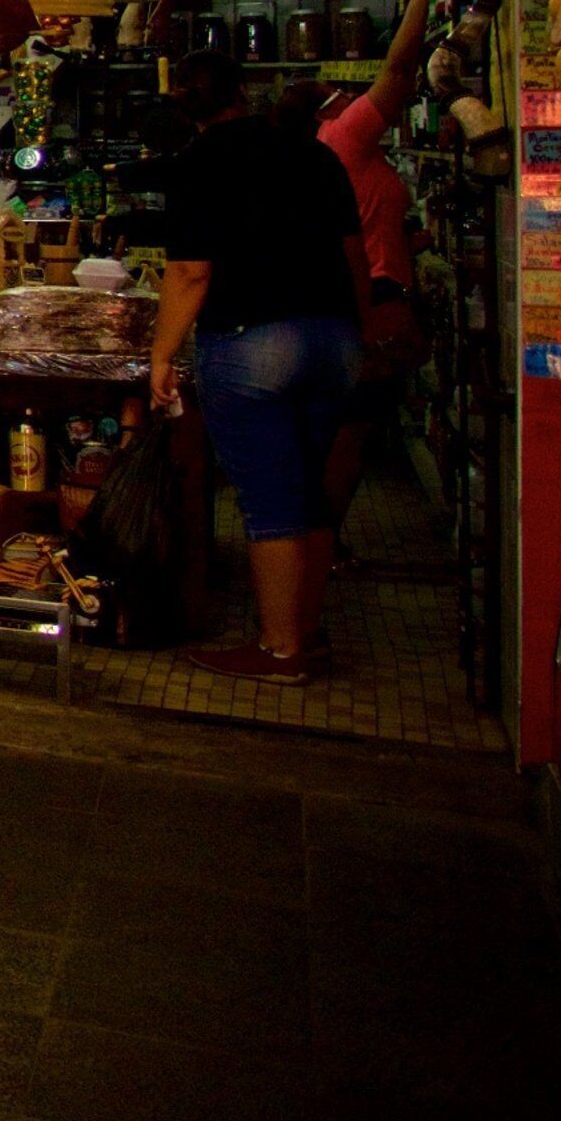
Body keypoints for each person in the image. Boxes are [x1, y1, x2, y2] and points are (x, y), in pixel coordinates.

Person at [146, 52, 365, 685]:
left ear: (185, 110)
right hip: (334, 338)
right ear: (243, 91)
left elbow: (191, 271)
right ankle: (307, 631)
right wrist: (362, 330)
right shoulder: (313, 153)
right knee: (312, 492)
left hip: (251, 345)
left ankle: (279, 649)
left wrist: (162, 357)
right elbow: (353, 252)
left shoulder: (196, 164)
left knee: (269, 497)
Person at [316, 0, 447, 540]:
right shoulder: (343, 135)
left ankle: (320, 538)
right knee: (351, 432)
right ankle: (323, 541)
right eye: (338, 91)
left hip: (366, 298)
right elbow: (398, 73)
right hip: (371, 305)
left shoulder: (337, 149)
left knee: (348, 431)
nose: (348, 93)